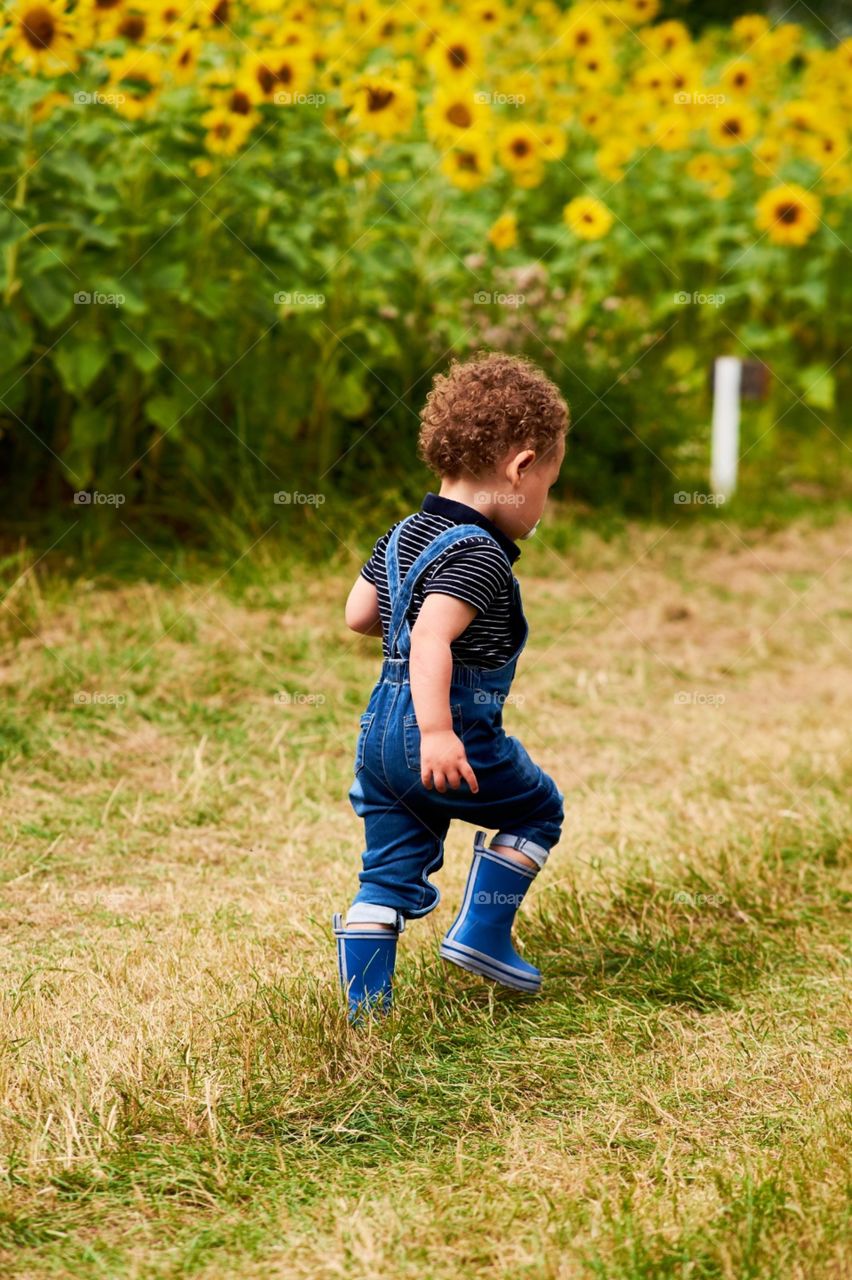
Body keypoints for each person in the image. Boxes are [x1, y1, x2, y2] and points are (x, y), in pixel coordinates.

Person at [333, 351, 568, 1021]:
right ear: (521, 468)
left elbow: (359, 615)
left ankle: (366, 1013)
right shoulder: (478, 552)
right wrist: (437, 732)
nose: (543, 505)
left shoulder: (404, 533)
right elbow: (434, 636)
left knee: (387, 871)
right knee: (534, 810)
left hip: (378, 739)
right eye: (548, 485)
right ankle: (482, 933)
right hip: (445, 731)